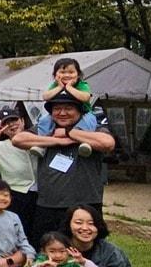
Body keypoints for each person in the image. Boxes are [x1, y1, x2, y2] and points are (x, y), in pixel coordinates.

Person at [13, 89, 117, 246]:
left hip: (86, 205)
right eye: (57, 109)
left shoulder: (91, 128)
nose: (62, 113)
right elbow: (18, 139)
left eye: (68, 108)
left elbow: (107, 143)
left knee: (86, 252)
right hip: (48, 205)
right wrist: (56, 141)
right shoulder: (46, 129)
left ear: (80, 111)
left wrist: (70, 133)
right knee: (45, 250)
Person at [36, 57, 99, 133]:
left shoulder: (82, 84)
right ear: (55, 75)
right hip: (56, 115)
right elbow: (45, 97)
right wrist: (60, 87)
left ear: (78, 75)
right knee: (44, 120)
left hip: (84, 113)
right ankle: (42, 139)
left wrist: (69, 87)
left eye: (71, 72)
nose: (67, 75)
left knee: (89, 120)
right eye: (62, 72)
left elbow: (86, 98)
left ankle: (83, 140)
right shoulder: (55, 85)